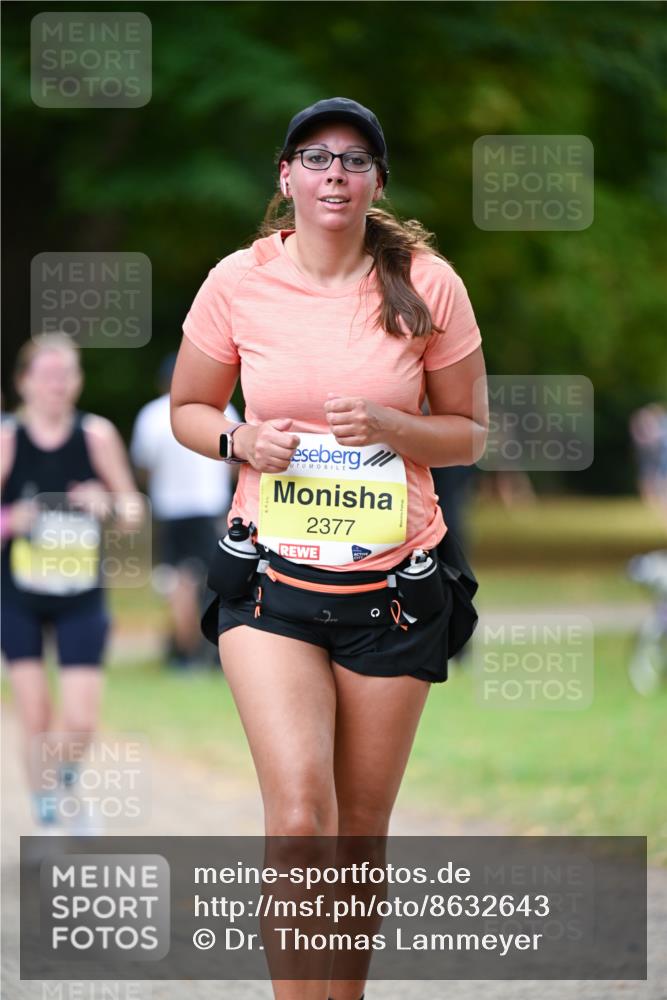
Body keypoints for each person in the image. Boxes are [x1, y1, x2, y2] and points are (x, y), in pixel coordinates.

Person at [171, 97, 488, 1000]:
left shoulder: (427, 282)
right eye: (315, 158)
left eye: (354, 160)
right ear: (286, 178)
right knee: (302, 821)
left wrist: (394, 424)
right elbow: (188, 410)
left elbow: (468, 433)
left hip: (394, 591)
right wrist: (239, 442)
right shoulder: (238, 281)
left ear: (377, 181)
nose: (334, 174)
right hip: (271, 584)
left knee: (354, 837)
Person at [1, 334, 141, 833]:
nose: (57, 385)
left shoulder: (96, 435)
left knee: (79, 721)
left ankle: (59, 782)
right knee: (35, 711)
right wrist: (10, 519)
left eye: (66, 375)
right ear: (24, 382)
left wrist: (107, 502)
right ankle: (47, 815)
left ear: (78, 382)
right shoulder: (8, 439)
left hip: (81, 594)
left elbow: (132, 509)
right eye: (47, 375)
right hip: (17, 596)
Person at [131, 354, 241, 668]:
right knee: (219, 578)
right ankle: (220, 647)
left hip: (171, 508)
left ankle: (187, 652)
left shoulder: (151, 416)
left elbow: (144, 467)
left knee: (179, 581)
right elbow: (235, 464)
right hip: (211, 505)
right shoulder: (222, 410)